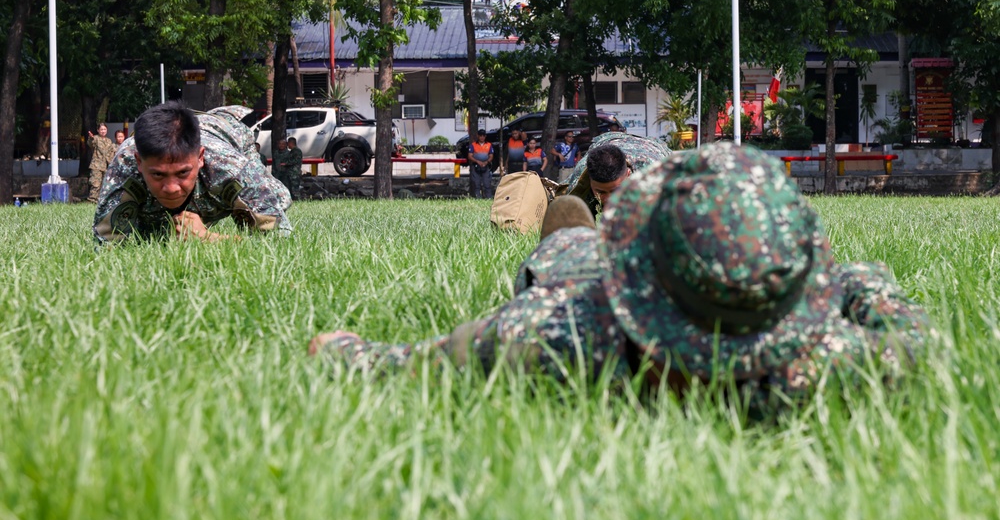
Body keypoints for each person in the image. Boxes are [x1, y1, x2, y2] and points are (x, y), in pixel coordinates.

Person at [310, 143, 931, 409]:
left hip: (588, 284)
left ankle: (572, 237)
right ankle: (575, 234)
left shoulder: (564, 332)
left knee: (571, 259)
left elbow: (401, 362)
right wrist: (836, 282)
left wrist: (340, 348)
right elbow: (902, 326)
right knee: (578, 250)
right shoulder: (831, 362)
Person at [93, 101, 291, 244]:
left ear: (200, 158)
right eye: (158, 175)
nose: (171, 188)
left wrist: (211, 239)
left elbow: (280, 239)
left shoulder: (231, 167)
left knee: (278, 198)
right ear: (139, 162)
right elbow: (106, 242)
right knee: (154, 234)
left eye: (182, 173)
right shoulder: (124, 166)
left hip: (227, 132)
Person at [563, 131, 671, 216]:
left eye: (615, 190)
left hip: (651, 146)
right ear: (589, 180)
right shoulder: (581, 173)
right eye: (601, 192)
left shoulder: (656, 172)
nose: (609, 199)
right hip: (609, 140)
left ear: (629, 175)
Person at [87, 124, 118, 203]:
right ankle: (92, 200)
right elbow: (91, 143)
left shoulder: (109, 140)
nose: (103, 131)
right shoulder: (96, 138)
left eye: (104, 129)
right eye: (101, 129)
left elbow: (112, 152)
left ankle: (101, 201)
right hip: (96, 165)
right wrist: (91, 138)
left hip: (106, 166)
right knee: (95, 184)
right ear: (98, 130)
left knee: (104, 185)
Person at [468, 129, 495, 198]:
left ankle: (489, 198)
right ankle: (478, 199)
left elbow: (491, 156)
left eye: (483, 136)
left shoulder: (489, 145)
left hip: (486, 167)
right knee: (477, 184)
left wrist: (486, 162)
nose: (482, 137)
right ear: (478, 136)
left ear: (485, 136)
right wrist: (477, 161)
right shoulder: (473, 145)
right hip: (476, 166)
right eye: (480, 136)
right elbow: (470, 156)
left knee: (487, 184)